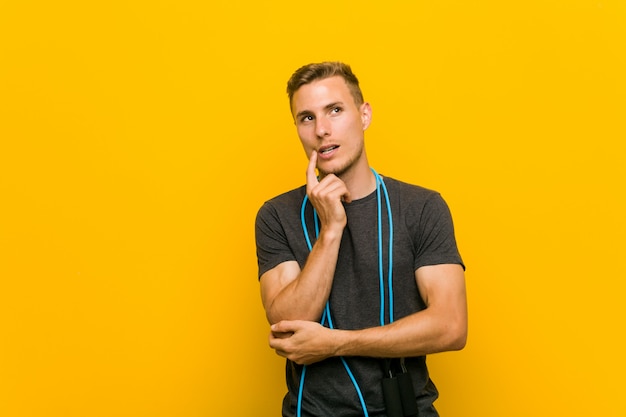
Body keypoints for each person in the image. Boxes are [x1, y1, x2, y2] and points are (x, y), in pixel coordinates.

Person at [255, 61, 467, 417]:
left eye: (334, 110)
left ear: (364, 114)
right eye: (306, 118)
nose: (322, 130)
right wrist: (332, 228)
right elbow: (288, 325)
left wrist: (337, 343)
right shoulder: (277, 215)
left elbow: (451, 326)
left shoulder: (421, 207)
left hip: (405, 410)